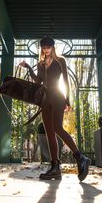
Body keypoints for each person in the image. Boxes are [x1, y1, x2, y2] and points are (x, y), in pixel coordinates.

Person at [19, 36, 91, 181]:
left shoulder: (60, 61)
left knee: (58, 128)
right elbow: (38, 81)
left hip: (57, 97)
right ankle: (55, 167)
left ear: (53, 47)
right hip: (45, 100)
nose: (45, 49)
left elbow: (65, 80)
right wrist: (28, 68)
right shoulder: (40, 64)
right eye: (43, 47)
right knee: (49, 132)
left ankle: (80, 157)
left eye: (48, 46)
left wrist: (67, 100)